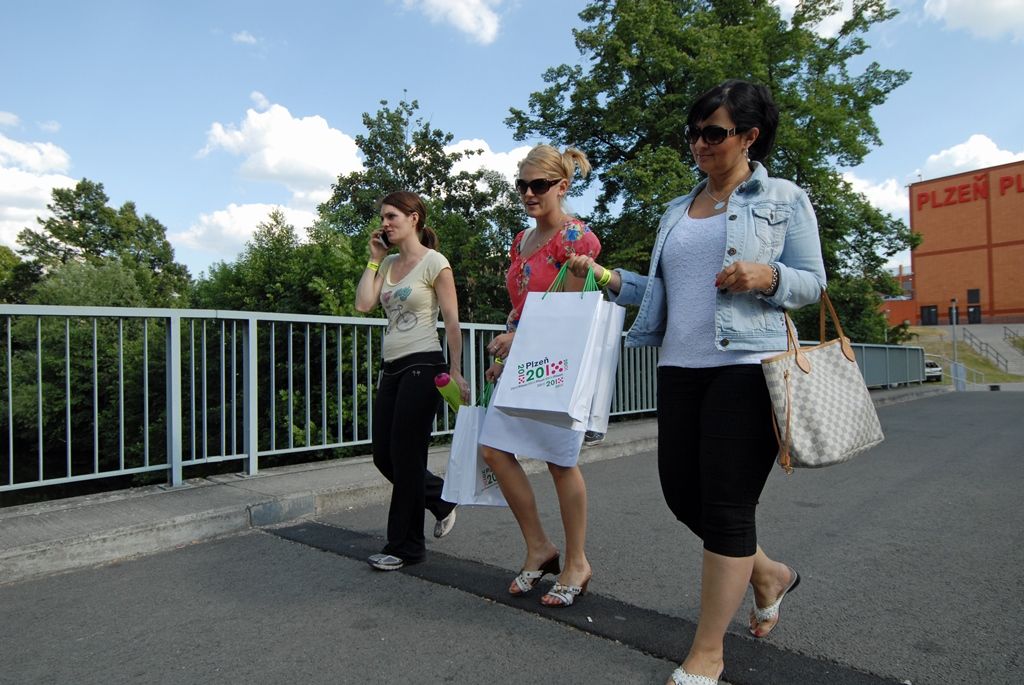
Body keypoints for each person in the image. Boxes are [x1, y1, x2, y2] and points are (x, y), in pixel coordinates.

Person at [567, 80, 826, 684]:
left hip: (747, 369)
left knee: (729, 507)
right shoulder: (675, 211)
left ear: (749, 136)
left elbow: (813, 283)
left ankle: (708, 652)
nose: (699, 144)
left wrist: (768, 276)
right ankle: (768, 573)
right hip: (680, 369)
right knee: (682, 496)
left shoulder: (784, 198)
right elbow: (661, 292)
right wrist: (605, 276)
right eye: (694, 134)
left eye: (713, 133)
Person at [479, 144, 601, 608]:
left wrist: (521, 341)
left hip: (559, 363)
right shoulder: (521, 240)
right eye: (522, 185)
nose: (529, 194)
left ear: (562, 186)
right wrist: (506, 349)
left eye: (539, 185)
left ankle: (576, 562)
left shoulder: (576, 239)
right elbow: (522, 303)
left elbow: (568, 313)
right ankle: (538, 547)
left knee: (559, 460)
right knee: (493, 449)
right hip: (523, 357)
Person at [354, 191, 469, 572]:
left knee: (406, 456)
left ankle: (406, 547)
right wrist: (372, 260)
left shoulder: (435, 263)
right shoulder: (386, 263)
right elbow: (364, 304)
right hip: (392, 367)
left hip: (424, 364)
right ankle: (441, 499)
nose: (385, 223)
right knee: (383, 456)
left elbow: (452, 322)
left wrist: (454, 370)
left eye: (392, 216)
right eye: (383, 217)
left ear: (414, 218)